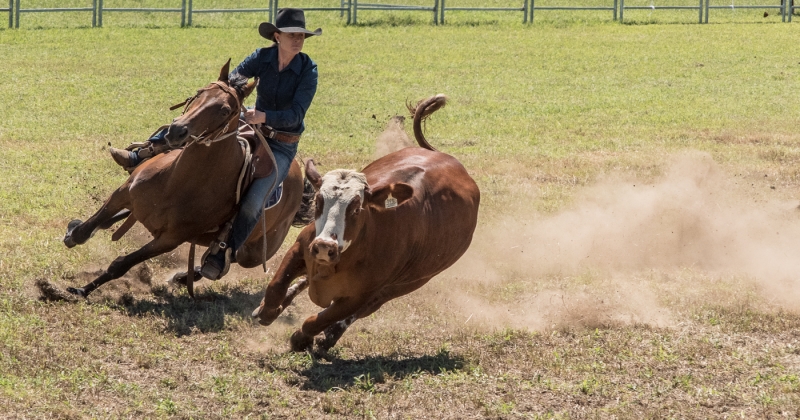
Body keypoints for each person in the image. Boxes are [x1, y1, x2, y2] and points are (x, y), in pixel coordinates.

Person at [110, 8, 321, 280]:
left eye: (301, 36)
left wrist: (264, 115)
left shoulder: (308, 70)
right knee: (197, 124)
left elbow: (296, 115)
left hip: (281, 143)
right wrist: (221, 96)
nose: (298, 40)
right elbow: (233, 79)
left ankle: (223, 251)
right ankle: (144, 152)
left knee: (253, 202)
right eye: (292, 35)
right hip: (250, 126)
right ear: (277, 36)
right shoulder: (262, 57)